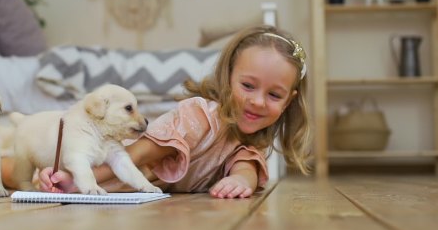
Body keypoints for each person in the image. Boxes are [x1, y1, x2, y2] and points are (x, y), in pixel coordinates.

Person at [34, 25, 312, 198]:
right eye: (248, 86)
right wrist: (76, 180)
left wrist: (241, 181)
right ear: (228, 78)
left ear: (288, 101)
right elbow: (138, 153)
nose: (259, 102)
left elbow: (246, 165)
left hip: (133, 190)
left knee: (39, 173)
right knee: (23, 171)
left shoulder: (251, 138)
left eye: (274, 95)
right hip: (113, 171)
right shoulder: (201, 116)